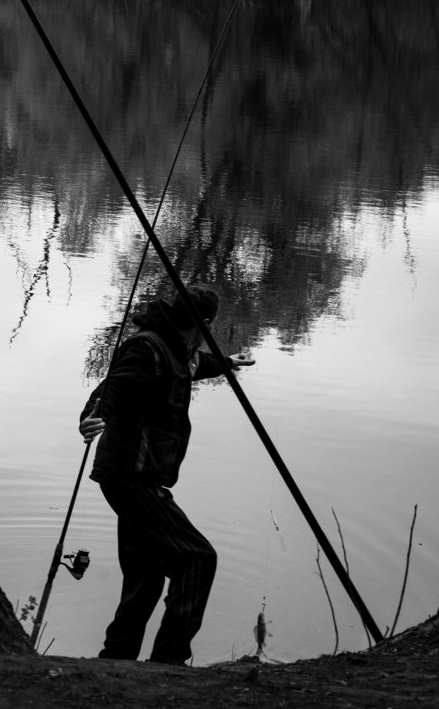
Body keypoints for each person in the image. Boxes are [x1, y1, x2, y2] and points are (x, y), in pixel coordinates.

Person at [79, 284, 254, 666]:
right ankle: (168, 665)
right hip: (129, 475)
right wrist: (93, 416)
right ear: (204, 322)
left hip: (137, 475)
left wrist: (228, 362)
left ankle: (115, 662)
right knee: (197, 559)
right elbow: (113, 387)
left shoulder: (177, 348)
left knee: (145, 575)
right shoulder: (148, 347)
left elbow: (194, 364)